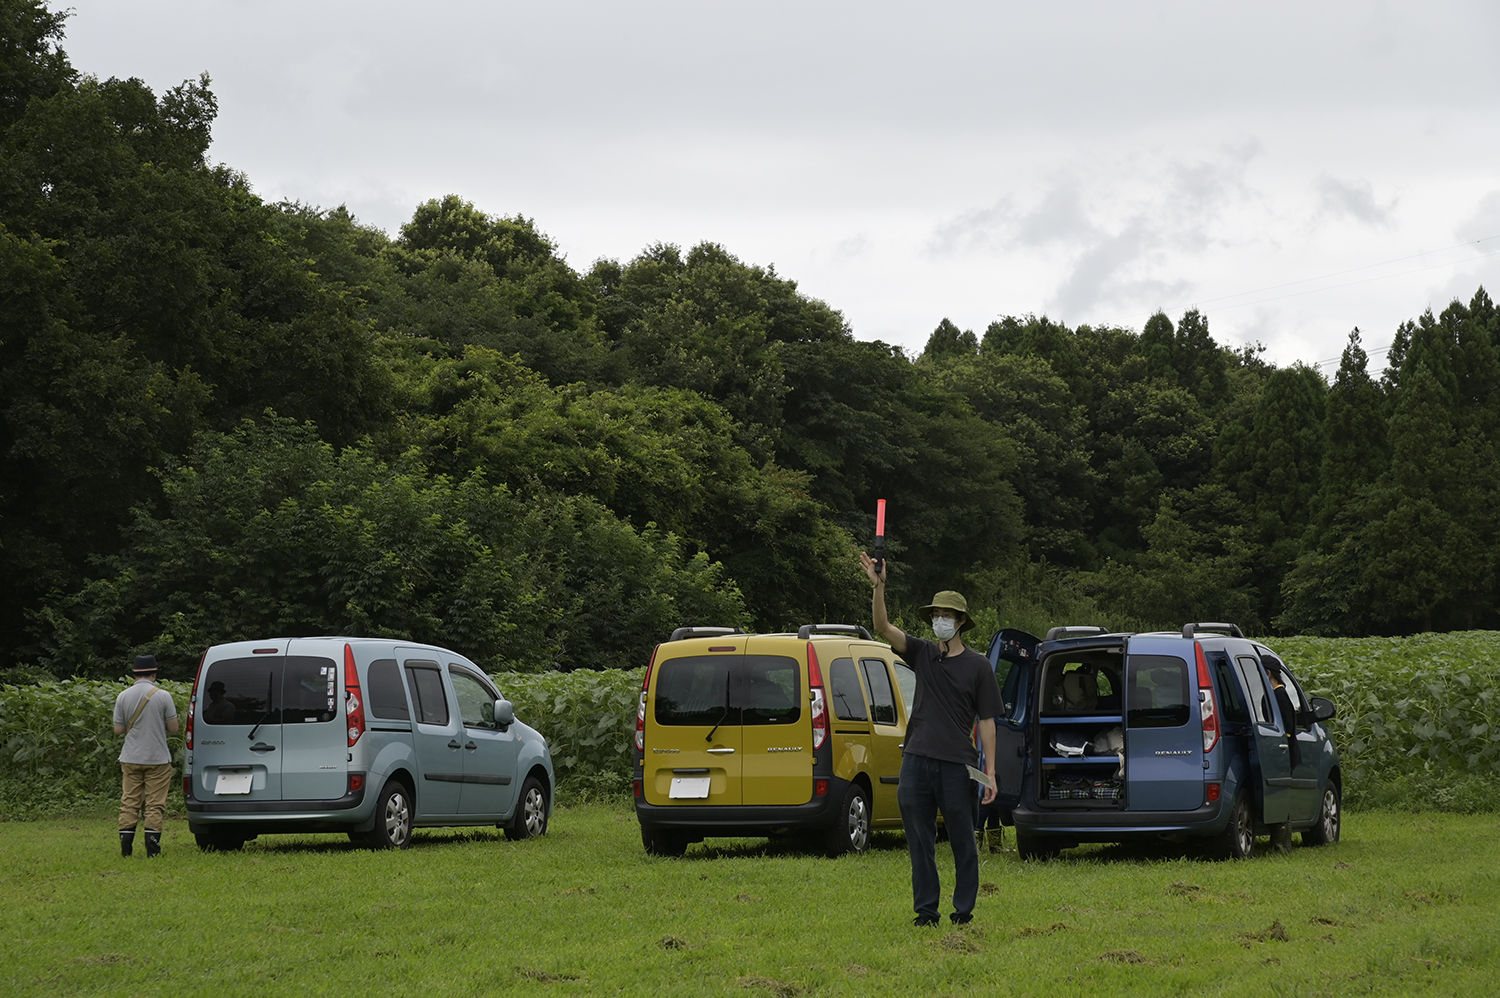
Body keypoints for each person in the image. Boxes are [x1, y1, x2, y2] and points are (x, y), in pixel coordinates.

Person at [860, 551, 1003, 927]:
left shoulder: (979, 666)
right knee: (919, 843)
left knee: (962, 841)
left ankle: (963, 911)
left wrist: (991, 773)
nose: (939, 620)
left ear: (960, 623)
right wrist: (879, 588)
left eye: (946, 616)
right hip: (916, 761)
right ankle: (926, 912)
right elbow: (882, 626)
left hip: (959, 765)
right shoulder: (922, 652)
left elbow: (987, 722)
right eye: (936, 615)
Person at [113, 654, 179, 857]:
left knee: (129, 802)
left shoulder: (123, 696)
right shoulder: (162, 695)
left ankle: (126, 850)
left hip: (130, 757)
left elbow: (118, 730)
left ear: (134, 673)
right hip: (157, 758)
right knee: (154, 804)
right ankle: (152, 850)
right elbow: (174, 728)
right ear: (154, 672)